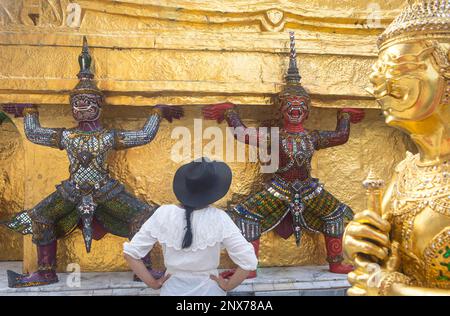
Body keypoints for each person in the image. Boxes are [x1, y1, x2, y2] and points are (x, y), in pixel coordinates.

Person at [123, 158, 258, 296]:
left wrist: (154, 284)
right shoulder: (219, 218)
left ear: (185, 186)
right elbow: (249, 260)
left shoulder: (163, 214)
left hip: (172, 290)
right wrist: (228, 285)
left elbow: (131, 254)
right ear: (212, 191)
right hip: (209, 291)